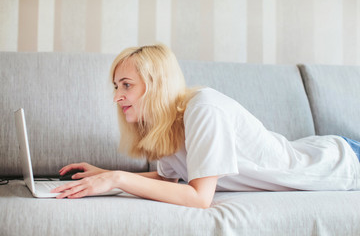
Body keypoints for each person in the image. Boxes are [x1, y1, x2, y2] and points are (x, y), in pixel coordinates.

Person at [52, 44, 360, 208]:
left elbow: (200, 198)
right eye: (116, 86)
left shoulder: (203, 108)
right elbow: (168, 179)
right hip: (317, 148)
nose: (117, 97)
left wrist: (118, 178)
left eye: (126, 85)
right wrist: (104, 176)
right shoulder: (167, 126)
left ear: (156, 85)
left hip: (342, 160)